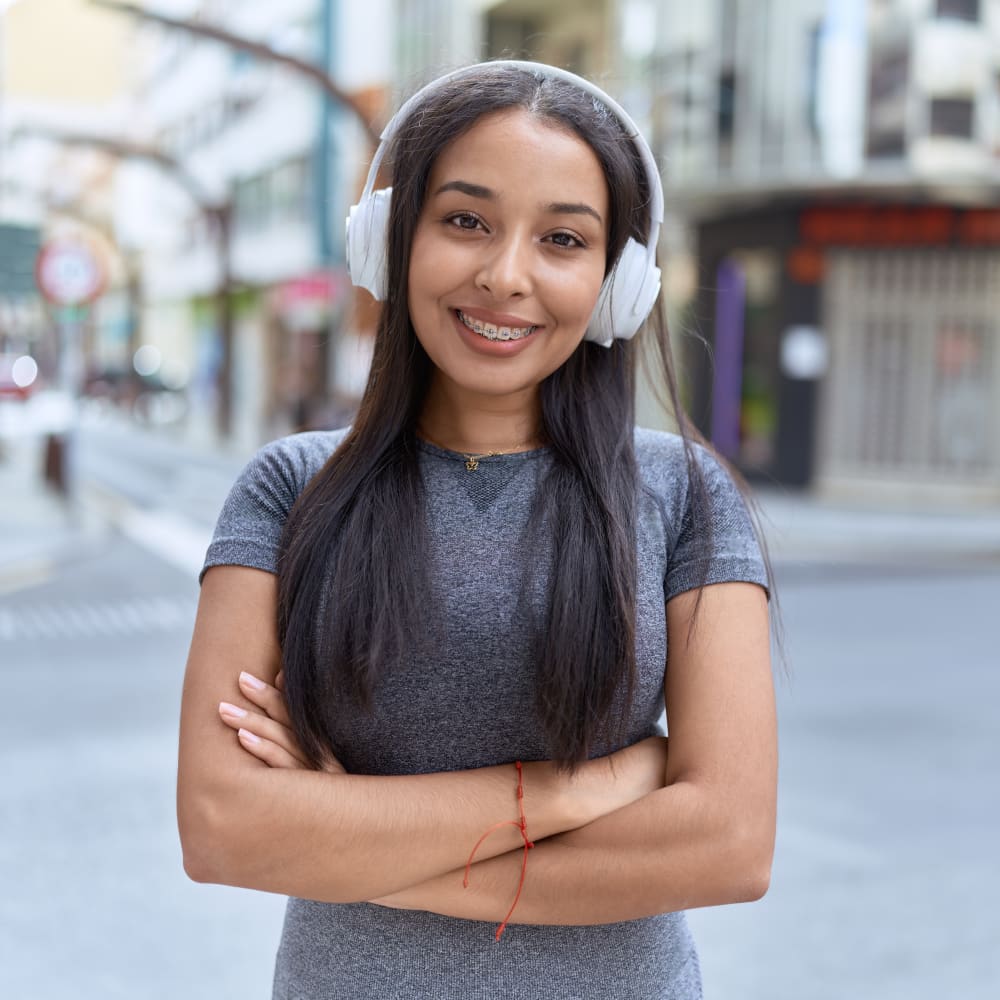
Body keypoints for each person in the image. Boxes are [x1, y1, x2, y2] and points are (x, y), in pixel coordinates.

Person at [177, 60, 777, 1000]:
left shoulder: (687, 494)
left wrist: (347, 835)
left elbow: (730, 844)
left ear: (617, 283)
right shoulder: (290, 491)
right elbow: (224, 830)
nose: (505, 276)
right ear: (390, 239)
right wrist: (575, 790)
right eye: (465, 221)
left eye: (564, 240)